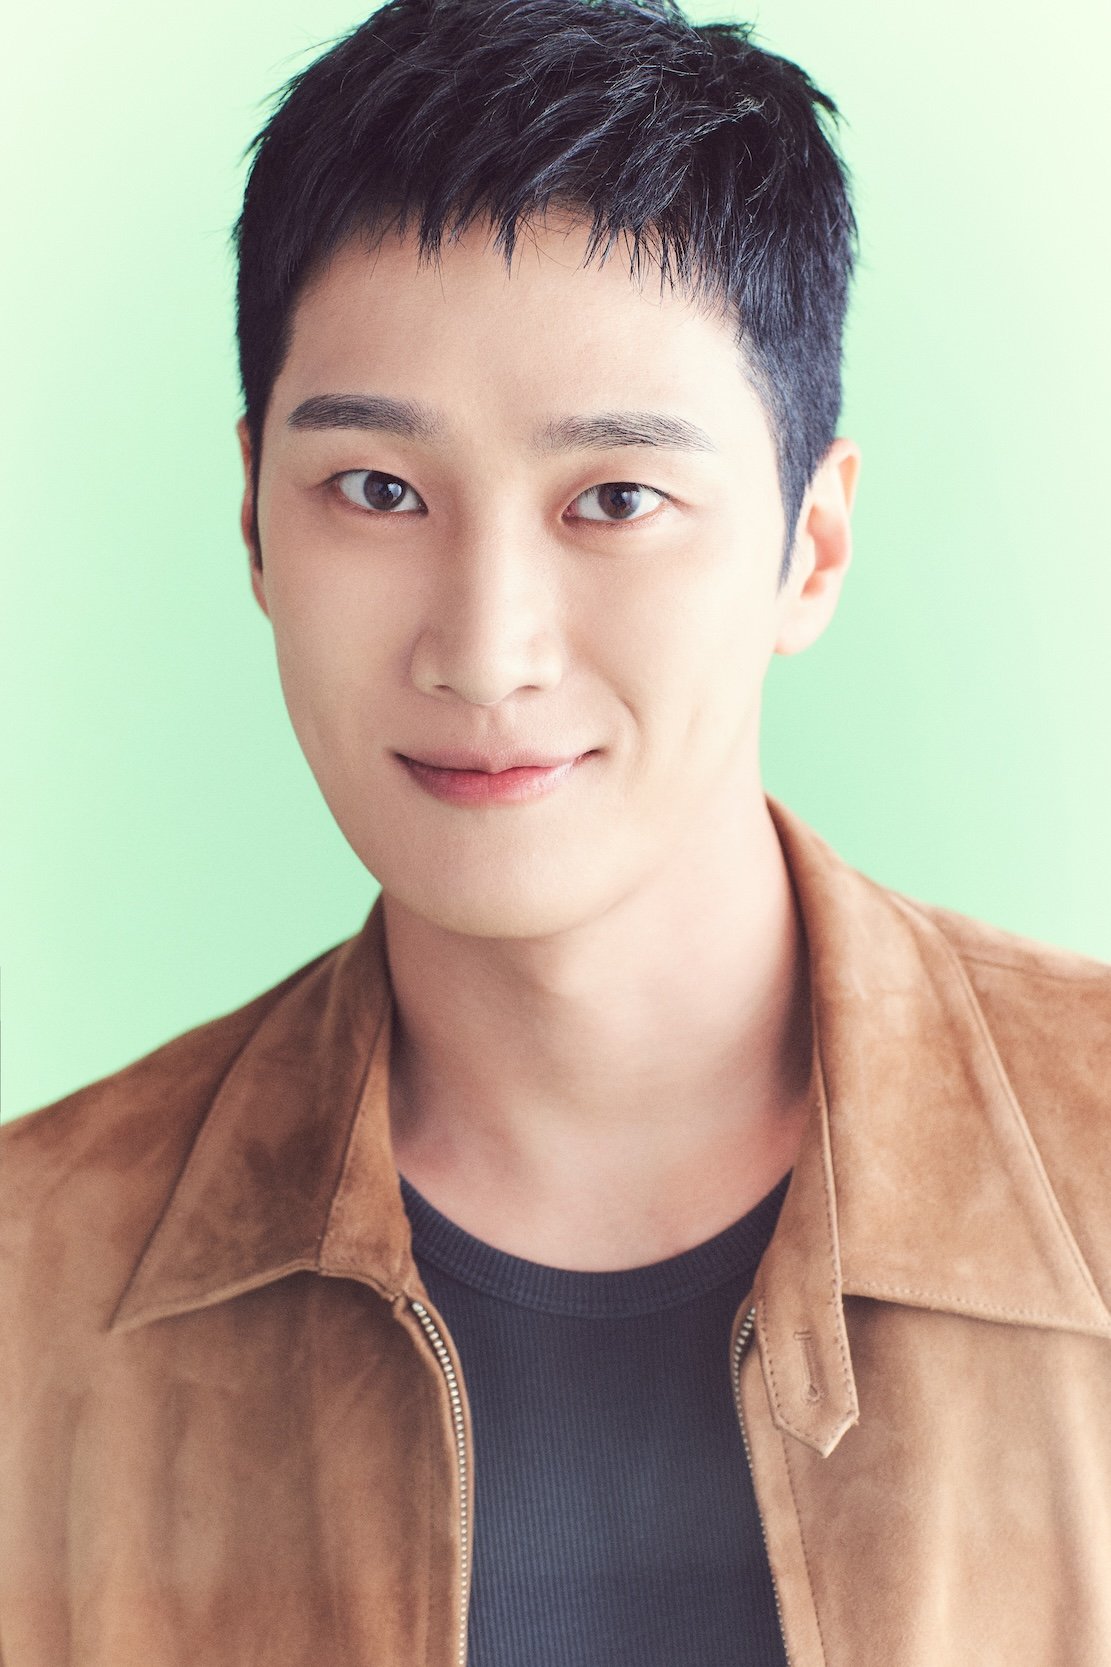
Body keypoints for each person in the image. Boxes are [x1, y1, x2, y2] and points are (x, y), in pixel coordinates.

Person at [2, 0, 1110, 1661]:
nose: (485, 649)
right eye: (378, 490)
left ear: (812, 546)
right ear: (252, 523)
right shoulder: (32, 1289)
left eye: (616, 499)